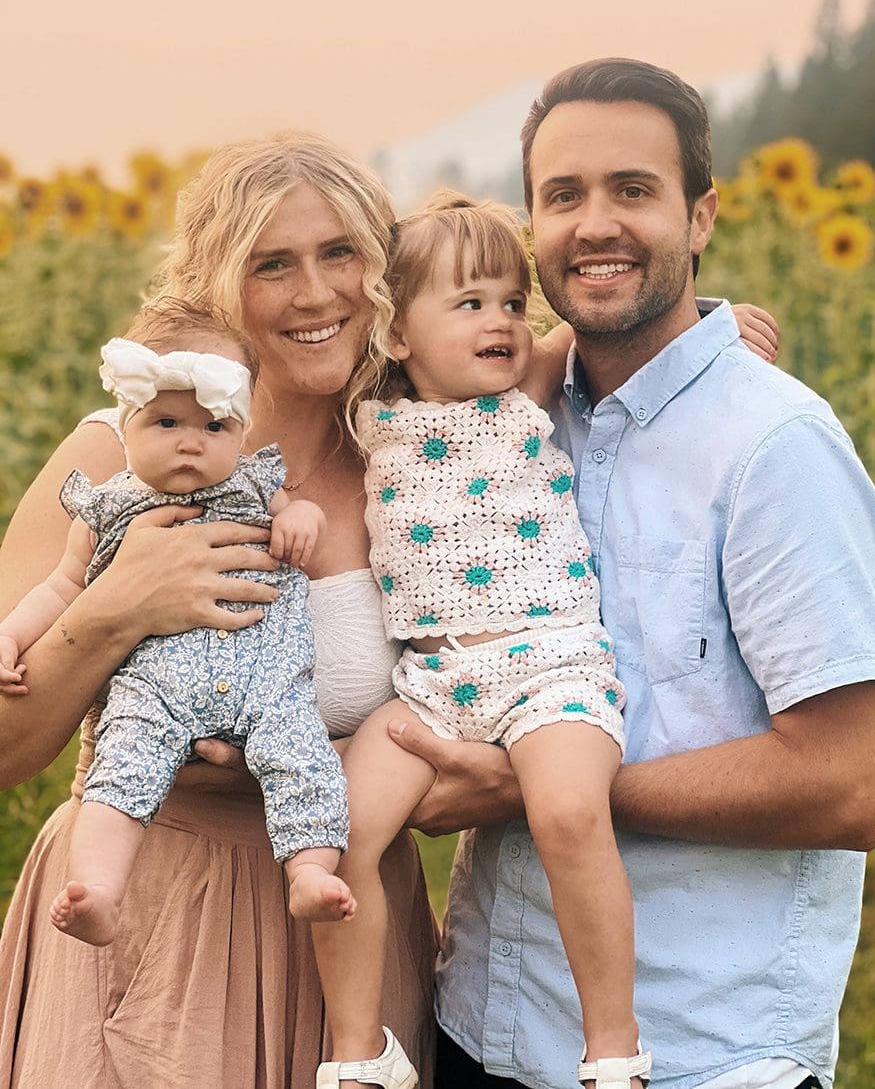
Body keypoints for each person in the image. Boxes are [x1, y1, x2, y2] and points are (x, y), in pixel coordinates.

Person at [387, 60, 875, 1089]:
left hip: (696, 1053)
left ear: (699, 216)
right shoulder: (503, 414)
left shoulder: (772, 444)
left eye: (632, 189)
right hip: (483, 1021)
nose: (595, 225)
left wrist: (532, 789)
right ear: (531, 229)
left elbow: (843, 784)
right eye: (563, 196)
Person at [0, 133, 439, 1089]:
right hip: (146, 915)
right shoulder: (113, 459)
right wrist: (121, 606)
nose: (316, 292)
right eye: (271, 263)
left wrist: (703, 321)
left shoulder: (413, 461)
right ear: (213, 286)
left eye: (341, 254)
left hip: (347, 926)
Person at [311, 191, 642, 1089]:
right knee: (335, 830)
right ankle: (358, 1050)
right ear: (395, 336)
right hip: (434, 683)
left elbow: (604, 322)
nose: (501, 322)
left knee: (570, 811)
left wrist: (733, 323)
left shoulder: (527, 390)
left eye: (509, 300)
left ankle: (613, 1047)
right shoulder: (369, 419)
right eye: (468, 304)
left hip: (552, 663)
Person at [0, 305, 356, 946]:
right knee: (122, 770)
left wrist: (303, 519)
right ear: (127, 425)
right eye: (166, 422)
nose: (191, 441)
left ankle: (310, 871)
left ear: (241, 431)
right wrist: (10, 636)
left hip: (269, 687)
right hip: (155, 691)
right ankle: (98, 890)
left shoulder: (255, 486)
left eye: (214, 425)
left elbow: (301, 514)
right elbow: (59, 588)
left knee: (303, 761)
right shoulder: (109, 504)